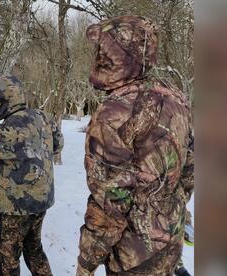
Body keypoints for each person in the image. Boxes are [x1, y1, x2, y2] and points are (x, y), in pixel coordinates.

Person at [76, 16, 193, 276]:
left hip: (133, 256)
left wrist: (86, 263)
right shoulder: (177, 99)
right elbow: (188, 171)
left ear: (120, 54)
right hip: (169, 243)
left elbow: (110, 205)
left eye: (104, 50)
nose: (98, 56)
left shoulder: (113, 113)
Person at [0, 75, 63, 276]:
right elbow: (58, 144)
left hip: (12, 209)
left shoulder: (3, 131)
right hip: (41, 202)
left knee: (6, 261)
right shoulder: (44, 119)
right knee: (34, 250)